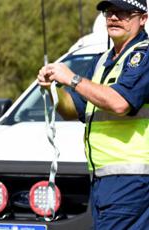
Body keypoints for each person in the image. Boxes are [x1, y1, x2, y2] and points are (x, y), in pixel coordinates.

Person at [37, 0, 149, 229]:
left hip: (132, 181)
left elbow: (120, 103)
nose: (114, 17)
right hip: (103, 182)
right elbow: (72, 108)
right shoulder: (101, 61)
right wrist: (51, 89)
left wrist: (73, 79)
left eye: (124, 12)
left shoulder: (143, 56)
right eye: (110, 12)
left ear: (143, 18)